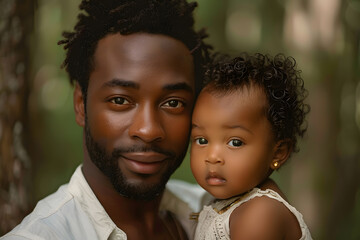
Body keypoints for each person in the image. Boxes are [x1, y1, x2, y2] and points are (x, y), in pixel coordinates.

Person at [1, 0, 213, 239]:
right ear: (81, 105)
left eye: (173, 103)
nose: (148, 129)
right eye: (120, 101)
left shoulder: (217, 212)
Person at [190, 53, 313, 239]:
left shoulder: (260, 212)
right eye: (202, 140)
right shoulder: (226, 200)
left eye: (235, 142)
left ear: (278, 153)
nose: (212, 156)